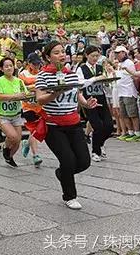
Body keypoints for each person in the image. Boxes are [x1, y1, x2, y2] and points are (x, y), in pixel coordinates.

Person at [35, 41, 98, 210]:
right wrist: (54, 94)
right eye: (56, 53)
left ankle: (62, 174)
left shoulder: (71, 74)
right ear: (48, 57)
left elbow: (77, 94)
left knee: (84, 161)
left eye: (63, 51)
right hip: (53, 125)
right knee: (68, 160)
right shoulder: (43, 75)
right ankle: (70, 196)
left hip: (74, 123)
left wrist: (86, 104)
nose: (61, 55)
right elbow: (39, 99)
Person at [76, 46, 114, 161]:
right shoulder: (81, 69)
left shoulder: (99, 67)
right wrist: (95, 79)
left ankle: (100, 142)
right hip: (89, 100)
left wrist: (107, 82)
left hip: (101, 98)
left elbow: (105, 85)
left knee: (109, 126)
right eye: (93, 56)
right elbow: (80, 83)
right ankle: (95, 151)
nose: (95, 58)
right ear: (87, 55)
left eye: (97, 56)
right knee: (97, 126)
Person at [0, 57, 28, 168]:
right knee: (12, 137)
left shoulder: (19, 81)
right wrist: (14, 96)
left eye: (11, 65)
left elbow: (25, 94)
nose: (9, 68)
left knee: (17, 142)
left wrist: (28, 96)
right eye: (6, 66)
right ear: (2, 69)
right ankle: (5, 148)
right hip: (3, 116)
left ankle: (9, 157)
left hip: (16, 115)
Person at [19, 53, 43, 167]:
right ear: (29, 63)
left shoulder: (43, 73)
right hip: (28, 106)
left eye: (38, 63)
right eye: (34, 64)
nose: (37, 66)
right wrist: (35, 87)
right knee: (33, 130)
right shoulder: (23, 74)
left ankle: (26, 143)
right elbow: (22, 88)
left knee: (38, 130)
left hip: (41, 106)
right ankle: (35, 155)